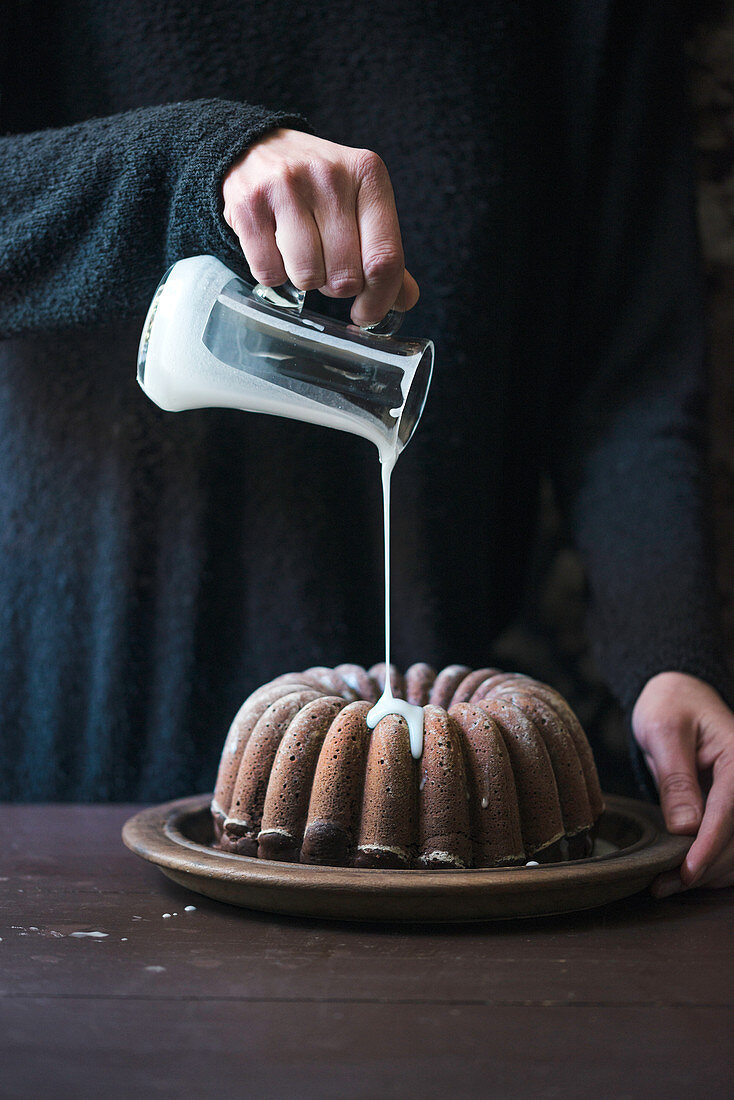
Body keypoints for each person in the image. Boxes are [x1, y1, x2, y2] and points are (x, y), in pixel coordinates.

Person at [1, 1, 732, 894]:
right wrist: (186, 165)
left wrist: (670, 653)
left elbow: (632, 378)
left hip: (445, 824)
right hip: (67, 757)